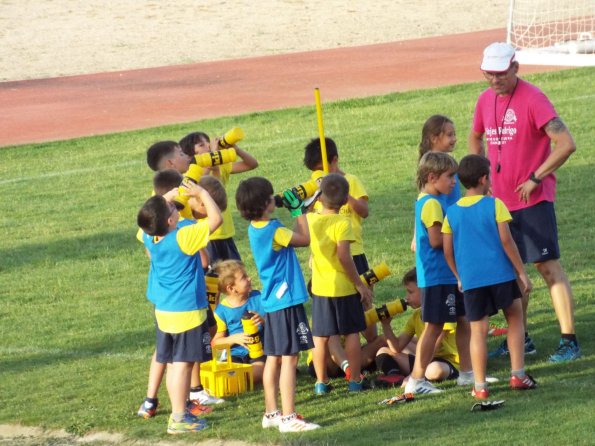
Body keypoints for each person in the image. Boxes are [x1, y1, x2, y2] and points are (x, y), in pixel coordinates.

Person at [468, 42, 580, 362]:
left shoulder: (534, 99)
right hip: (499, 203)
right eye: (489, 73)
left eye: (501, 73)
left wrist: (536, 177)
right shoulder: (484, 100)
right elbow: (476, 135)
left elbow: (566, 143)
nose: (494, 79)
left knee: (547, 267)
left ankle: (569, 340)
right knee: (510, 274)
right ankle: (522, 337)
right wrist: (479, 178)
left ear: (515, 67)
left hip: (534, 201)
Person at [442, 154, 537, 399]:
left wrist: (458, 276)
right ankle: (518, 374)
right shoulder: (495, 204)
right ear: (484, 179)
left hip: (471, 280)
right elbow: (507, 241)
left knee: (478, 331)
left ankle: (480, 386)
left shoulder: (451, 213)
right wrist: (522, 273)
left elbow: (447, 250)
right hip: (500, 275)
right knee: (515, 318)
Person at [137, 172, 227, 419]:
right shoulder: (183, 237)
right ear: (169, 220)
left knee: (175, 363)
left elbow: (147, 219)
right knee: (182, 365)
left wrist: (165, 198)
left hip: (164, 309)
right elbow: (216, 218)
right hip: (185, 311)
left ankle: (179, 410)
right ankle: (179, 417)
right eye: (171, 209)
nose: (176, 209)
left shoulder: (148, 233)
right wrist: (202, 193)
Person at [235, 176, 319, 433]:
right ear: (264, 204)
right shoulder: (275, 230)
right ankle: (288, 417)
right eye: (271, 197)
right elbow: (305, 239)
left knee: (273, 358)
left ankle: (271, 412)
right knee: (289, 359)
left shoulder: (254, 228)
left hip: (273, 301)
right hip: (286, 301)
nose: (275, 199)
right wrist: (298, 211)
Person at [404, 152, 473, 395]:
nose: (455, 181)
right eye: (450, 177)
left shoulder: (431, 200)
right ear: (432, 177)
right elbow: (435, 241)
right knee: (433, 326)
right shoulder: (431, 204)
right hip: (436, 276)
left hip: (448, 275)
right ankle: (417, 379)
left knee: (464, 320)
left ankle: (467, 373)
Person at [306, 173, 374, 394]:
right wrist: (359, 284)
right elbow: (345, 257)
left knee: (320, 335)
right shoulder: (343, 223)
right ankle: (355, 379)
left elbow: (305, 209)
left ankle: (321, 382)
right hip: (343, 286)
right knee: (352, 332)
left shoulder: (312, 219)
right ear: (346, 200)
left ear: (320, 198)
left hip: (320, 287)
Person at [179, 130, 259, 263]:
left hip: (226, 234)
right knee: (213, 277)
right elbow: (201, 177)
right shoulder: (189, 173)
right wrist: (213, 156)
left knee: (234, 273)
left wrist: (236, 149)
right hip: (207, 236)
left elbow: (252, 164)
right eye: (201, 145)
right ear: (191, 155)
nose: (208, 145)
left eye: (207, 142)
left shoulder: (220, 166)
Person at [376, 268, 461, 385]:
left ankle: (416, 375)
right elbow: (397, 348)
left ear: (425, 291)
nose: (407, 297)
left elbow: (433, 348)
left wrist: (413, 376)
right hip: (424, 361)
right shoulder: (416, 316)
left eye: (410, 292)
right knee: (382, 351)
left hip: (446, 362)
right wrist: (386, 325)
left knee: (435, 370)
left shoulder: (442, 313)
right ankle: (395, 376)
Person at [211, 260, 266, 384]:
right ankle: (233, 378)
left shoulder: (258, 298)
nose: (249, 278)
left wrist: (264, 321)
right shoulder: (221, 311)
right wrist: (234, 339)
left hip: (257, 351)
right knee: (224, 369)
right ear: (231, 288)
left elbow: (275, 324)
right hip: (234, 354)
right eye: (244, 278)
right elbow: (215, 343)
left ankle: (239, 379)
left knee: (260, 372)